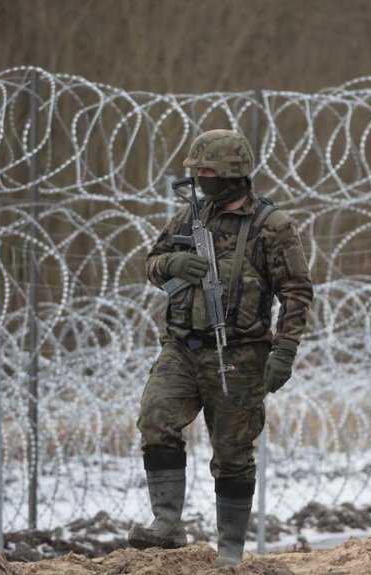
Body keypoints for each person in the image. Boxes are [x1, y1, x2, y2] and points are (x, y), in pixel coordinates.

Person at [128, 129, 313, 566]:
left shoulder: (271, 226)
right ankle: (167, 524)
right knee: (156, 417)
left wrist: (284, 351)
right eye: (196, 171)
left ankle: (230, 549)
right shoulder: (191, 217)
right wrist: (170, 264)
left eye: (206, 171)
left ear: (232, 174)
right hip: (182, 349)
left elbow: (297, 291)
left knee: (232, 455)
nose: (199, 179)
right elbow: (150, 263)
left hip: (240, 355)